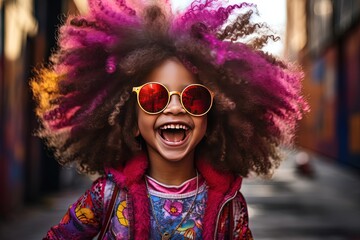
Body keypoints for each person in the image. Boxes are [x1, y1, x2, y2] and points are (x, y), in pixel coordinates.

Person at [31, 0, 308, 239]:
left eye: (194, 97)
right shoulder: (107, 196)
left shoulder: (229, 204)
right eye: (154, 96)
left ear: (213, 116)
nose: (175, 108)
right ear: (130, 119)